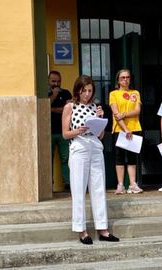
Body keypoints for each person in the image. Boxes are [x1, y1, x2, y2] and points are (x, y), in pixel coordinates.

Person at [62, 75, 119, 245]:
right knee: (78, 188)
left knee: (98, 187)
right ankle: (81, 230)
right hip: (79, 145)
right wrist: (78, 130)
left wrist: (100, 119)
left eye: (89, 91)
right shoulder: (70, 106)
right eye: (84, 90)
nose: (87, 94)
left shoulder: (95, 107)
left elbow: (101, 135)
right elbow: (65, 134)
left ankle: (103, 229)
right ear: (77, 90)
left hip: (95, 146)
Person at [109, 69, 143, 194]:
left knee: (132, 157)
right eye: (122, 77)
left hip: (135, 127)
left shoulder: (135, 93)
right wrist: (125, 129)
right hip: (120, 129)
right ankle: (121, 184)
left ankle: (133, 184)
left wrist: (124, 114)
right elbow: (116, 114)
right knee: (119, 157)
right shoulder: (113, 94)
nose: (125, 80)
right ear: (118, 79)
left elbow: (137, 111)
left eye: (127, 77)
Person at [48, 70, 72, 190]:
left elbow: (68, 109)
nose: (56, 84)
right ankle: (48, 185)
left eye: (58, 81)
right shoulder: (46, 93)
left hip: (64, 132)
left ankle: (68, 183)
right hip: (49, 132)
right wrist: (54, 96)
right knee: (48, 159)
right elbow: (44, 107)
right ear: (48, 81)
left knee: (66, 158)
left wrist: (52, 109)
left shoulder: (66, 93)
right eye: (53, 81)